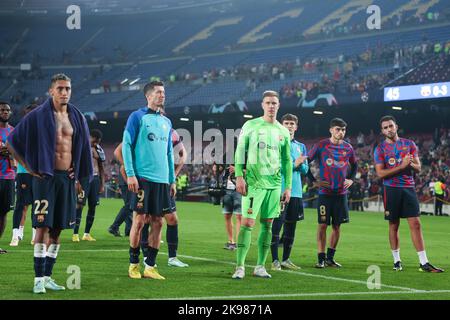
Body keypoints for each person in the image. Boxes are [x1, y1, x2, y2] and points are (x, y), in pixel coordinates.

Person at [7, 73, 93, 293]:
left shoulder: (77, 116)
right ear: (51, 91)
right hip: (45, 177)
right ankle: (37, 280)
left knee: (57, 229)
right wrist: (29, 167)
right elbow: (12, 142)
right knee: (42, 227)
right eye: (60, 88)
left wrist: (80, 173)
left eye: (68, 89)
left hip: (66, 179)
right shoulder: (37, 116)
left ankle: (47, 276)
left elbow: (81, 149)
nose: (65, 92)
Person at [232, 90, 292, 279]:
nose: (271, 106)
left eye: (274, 103)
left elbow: (287, 161)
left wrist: (287, 186)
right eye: (268, 103)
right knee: (247, 222)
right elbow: (240, 150)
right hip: (253, 183)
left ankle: (260, 266)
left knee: (268, 224)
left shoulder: (283, 131)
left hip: (274, 185)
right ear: (262, 105)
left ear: (279, 105)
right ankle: (240, 266)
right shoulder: (251, 125)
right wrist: (239, 176)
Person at [374, 115, 444, 272]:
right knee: (394, 225)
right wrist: (402, 165)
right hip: (390, 189)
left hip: (408, 188)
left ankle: (424, 262)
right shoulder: (380, 149)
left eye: (391, 126)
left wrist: (410, 163)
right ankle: (397, 261)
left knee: (416, 224)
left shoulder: (409, 144)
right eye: (385, 127)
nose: (389, 129)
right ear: (382, 131)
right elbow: (380, 173)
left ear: (396, 127)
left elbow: (419, 168)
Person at [122, 80, 176, 280]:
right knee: (140, 220)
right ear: (148, 96)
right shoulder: (137, 117)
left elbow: (170, 153)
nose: (162, 95)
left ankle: (150, 266)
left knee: (158, 222)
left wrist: (172, 180)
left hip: (162, 181)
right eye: (159, 92)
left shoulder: (166, 122)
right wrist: (130, 173)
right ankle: (133, 264)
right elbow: (127, 145)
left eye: (164, 92)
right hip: (143, 178)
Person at [308, 118, 357, 268]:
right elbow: (306, 161)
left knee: (337, 226)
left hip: (341, 194)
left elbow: (354, 165)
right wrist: (313, 181)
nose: (340, 132)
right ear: (331, 130)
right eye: (337, 129)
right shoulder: (322, 145)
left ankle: (330, 258)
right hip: (325, 193)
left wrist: (351, 179)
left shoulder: (348, 148)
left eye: (343, 130)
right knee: (322, 225)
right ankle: (320, 258)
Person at [140, 127, 189, 268]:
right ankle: (146, 256)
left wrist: (173, 176)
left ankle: (172, 258)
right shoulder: (144, 127)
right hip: (147, 180)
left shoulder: (170, 131)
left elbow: (183, 154)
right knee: (147, 218)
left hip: (164, 182)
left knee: (172, 219)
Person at [271, 113, 308, 271]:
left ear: (296, 127)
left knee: (291, 227)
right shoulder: (276, 144)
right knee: (276, 226)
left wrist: (300, 165)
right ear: (282, 125)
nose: (290, 126)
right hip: (280, 191)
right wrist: (295, 163)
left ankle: (286, 259)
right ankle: (274, 261)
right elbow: (276, 167)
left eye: (292, 123)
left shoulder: (301, 146)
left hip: (297, 192)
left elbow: (305, 169)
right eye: (286, 123)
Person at [10, 104, 38, 247]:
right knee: (21, 205)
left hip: (39, 174)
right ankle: (16, 234)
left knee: (37, 205)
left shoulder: (44, 131)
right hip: (24, 173)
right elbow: (11, 146)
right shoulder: (20, 131)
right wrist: (21, 163)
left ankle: (34, 236)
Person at [72, 129, 105, 242]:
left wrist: (102, 183)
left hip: (95, 179)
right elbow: (76, 165)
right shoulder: (82, 148)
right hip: (84, 178)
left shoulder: (99, 149)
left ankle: (86, 233)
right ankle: (75, 233)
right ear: (89, 137)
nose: (95, 143)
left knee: (93, 206)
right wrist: (77, 181)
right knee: (80, 205)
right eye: (94, 141)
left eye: (97, 142)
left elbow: (101, 167)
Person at [108, 143, 132, 237]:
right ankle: (114, 226)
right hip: (126, 180)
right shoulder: (127, 142)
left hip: (126, 180)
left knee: (130, 206)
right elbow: (123, 166)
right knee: (129, 205)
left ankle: (129, 230)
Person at [0, 101, 15, 254]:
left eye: (8, 110)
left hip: (9, 176)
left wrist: (9, 151)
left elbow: (18, 151)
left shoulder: (13, 131)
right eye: (3, 110)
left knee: (4, 212)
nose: (5, 112)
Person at [221, 165, 242, 250]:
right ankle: (231, 241)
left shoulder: (244, 155)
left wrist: (236, 170)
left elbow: (251, 170)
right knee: (227, 215)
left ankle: (239, 242)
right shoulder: (225, 157)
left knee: (239, 216)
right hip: (227, 189)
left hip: (239, 188)